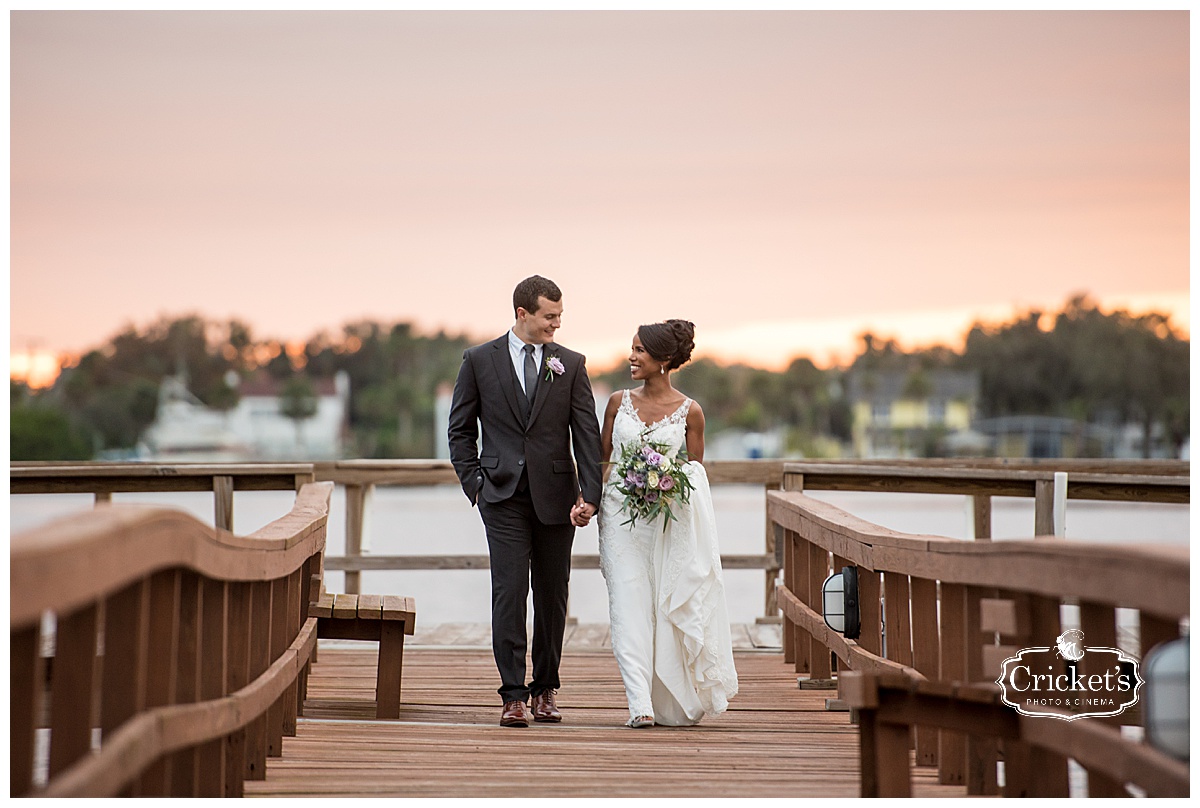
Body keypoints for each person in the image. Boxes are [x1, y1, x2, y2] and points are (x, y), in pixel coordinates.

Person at [448, 275, 603, 728]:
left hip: (557, 498)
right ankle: (513, 695)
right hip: (500, 495)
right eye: (549, 316)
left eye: (560, 316)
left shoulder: (570, 364)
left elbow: (586, 434)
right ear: (522, 313)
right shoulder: (479, 360)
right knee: (510, 591)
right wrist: (474, 483)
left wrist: (588, 495)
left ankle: (546, 689)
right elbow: (460, 430)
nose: (556, 324)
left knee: (553, 595)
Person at [597, 319, 738, 728]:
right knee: (627, 604)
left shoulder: (690, 412)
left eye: (640, 350)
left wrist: (666, 482)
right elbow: (601, 460)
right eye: (632, 348)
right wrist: (586, 500)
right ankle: (638, 702)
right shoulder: (617, 402)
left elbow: (695, 473)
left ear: (663, 360)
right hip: (619, 520)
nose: (632, 356)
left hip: (664, 523)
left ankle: (667, 695)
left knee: (658, 608)